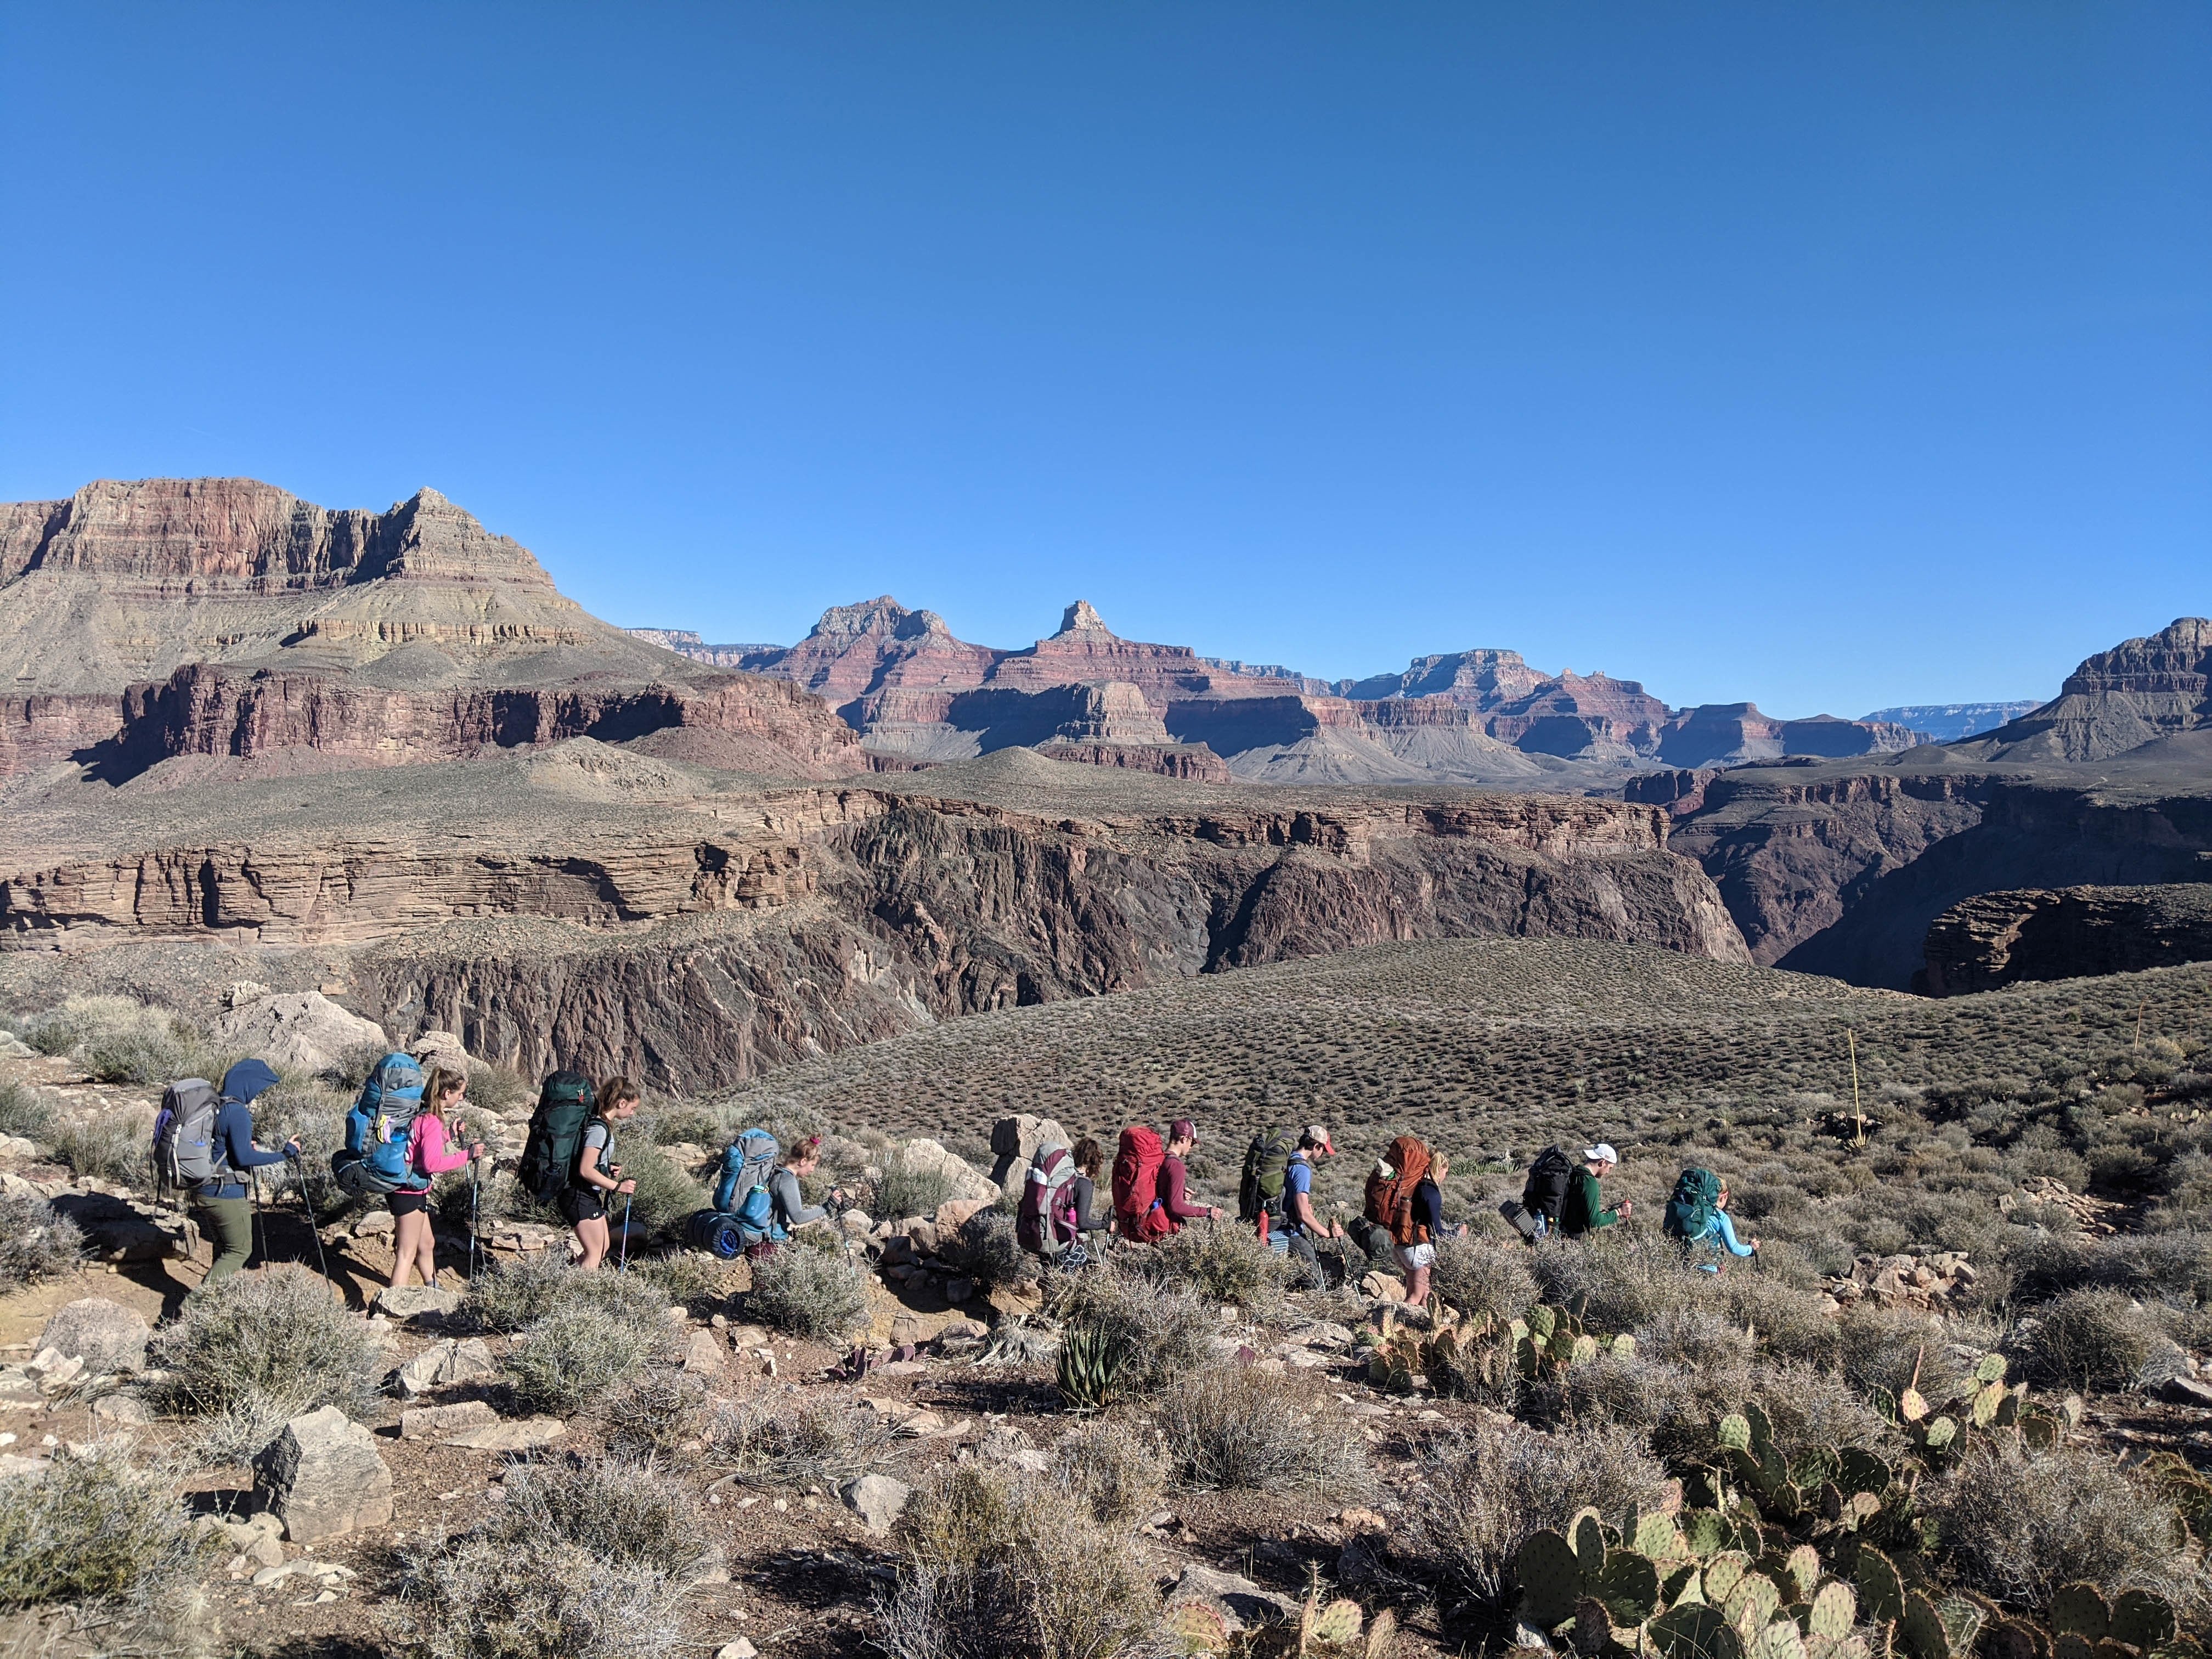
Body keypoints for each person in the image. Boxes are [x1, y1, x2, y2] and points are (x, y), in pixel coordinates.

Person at [189, 1060, 299, 1294]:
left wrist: (241, 1148)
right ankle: (193, 1309)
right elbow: (246, 1158)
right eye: (258, 1088)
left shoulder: (218, 1105)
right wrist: (284, 1154)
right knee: (239, 1251)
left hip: (205, 1189)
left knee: (223, 1248)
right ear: (247, 1084)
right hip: (227, 1194)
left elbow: (223, 1146)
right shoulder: (237, 1112)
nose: (258, 1094)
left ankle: (214, 1306)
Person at [387, 1067, 484, 1291]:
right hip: (408, 1192)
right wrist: (466, 1156)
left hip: (409, 1189)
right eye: (460, 1093)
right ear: (446, 1093)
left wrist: (448, 1134)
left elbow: (422, 1148)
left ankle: (431, 1289)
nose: (462, 1098)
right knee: (406, 1252)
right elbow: (432, 1164)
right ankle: (390, 1306)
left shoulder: (424, 1115)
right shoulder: (431, 1120)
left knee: (427, 1243)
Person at [565, 1076, 640, 1271]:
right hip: (579, 1196)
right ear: (621, 1103)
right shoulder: (599, 1128)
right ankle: (575, 1296)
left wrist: (607, 1169)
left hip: (587, 1194)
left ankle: (569, 1281)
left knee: (603, 1247)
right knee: (594, 1253)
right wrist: (617, 1186)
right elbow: (585, 1169)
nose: (633, 1113)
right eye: (632, 1108)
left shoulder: (600, 1123)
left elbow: (591, 1162)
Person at [1398, 1149, 1463, 1307]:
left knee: (1425, 1295)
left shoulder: (1415, 1186)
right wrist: (1457, 1233)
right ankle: (1390, 1325)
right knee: (1416, 1296)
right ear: (1439, 1169)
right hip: (1418, 1247)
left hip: (1403, 1244)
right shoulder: (1430, 1193)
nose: (1445, 1177)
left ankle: (1420, 1328)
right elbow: (1437, 1231)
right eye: (1445, 1172)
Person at [1279, 1124, 1341, 1287]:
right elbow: (1303, 1215)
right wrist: (1327, 1233)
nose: (1323, 1154)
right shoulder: (1301, 1169)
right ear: (1316, 1146)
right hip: (1288, 1231)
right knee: (1313, 1283)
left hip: (1277, 1224)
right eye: (1323, 1150)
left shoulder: (1287, 1159)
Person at [770, 1135, 850, 1235]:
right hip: (769, 1239)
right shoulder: (788, 1180)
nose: (812, 1170)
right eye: (812, 1165)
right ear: (803, 1161)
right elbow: (798, 1217)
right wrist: (827, 1207)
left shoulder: (778, 1171)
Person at [1157, 1119, 1221, 1233]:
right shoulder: (1176, 1165)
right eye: (1193, 1143)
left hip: (1148, 1219)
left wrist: (1179, 1194)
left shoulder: (1160, 1158)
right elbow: (1176, 1207)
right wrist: (1208, 1212)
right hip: (1162, 1227)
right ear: (1185, 1138)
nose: (1191, 1147)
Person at [1560, 1142, 1632, 1238]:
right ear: (1603, 1163)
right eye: (1610, 1168)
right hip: (1572, 1240)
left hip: (1560, 1233)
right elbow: (1594, 1221)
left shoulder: (1574, 1172)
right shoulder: (1590, 1183)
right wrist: (1619, 1212)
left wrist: (1609, 1212)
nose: (1608, 1172)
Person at [1067, 1136, 1114, 1257]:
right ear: (1094, 1161)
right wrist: (1106, 1224)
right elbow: (1082, 1222)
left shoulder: (1065, 1176)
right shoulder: (1083, 1183)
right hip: (1067, 1244)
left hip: (1047, 1237)